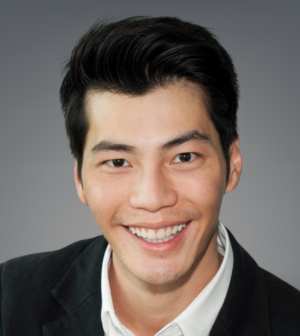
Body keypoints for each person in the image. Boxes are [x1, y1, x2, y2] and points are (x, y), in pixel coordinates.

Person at [0, 16, 299, 336]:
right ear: (79, 178)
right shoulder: (9, 301)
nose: (153, 198)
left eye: (184, 157)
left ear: (233, 163)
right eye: (117, 162)